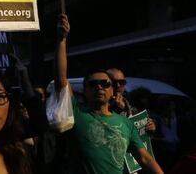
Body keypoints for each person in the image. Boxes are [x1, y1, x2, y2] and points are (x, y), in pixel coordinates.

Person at [55, 14, 163, 174]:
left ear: (112, 90)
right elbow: (61, 79)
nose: (99, 87)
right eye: (93, 84)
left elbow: (145, 159)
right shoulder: (76, 113)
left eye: (105, 84)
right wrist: (61, 40)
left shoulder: (127, 123)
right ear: (84, 90)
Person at [107, 68, 156, 133]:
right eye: (113, 82)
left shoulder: (132, 102)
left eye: (121, 82)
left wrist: (151, 126)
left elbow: (140, 126)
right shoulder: (96, 104)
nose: (118, 85)